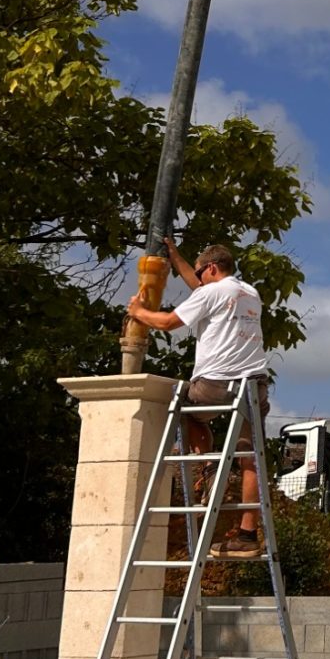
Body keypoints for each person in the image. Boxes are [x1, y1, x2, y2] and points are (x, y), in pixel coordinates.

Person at [126, 238, 270, 559]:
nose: (199, 279)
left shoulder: (211, 292)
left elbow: (168, 323)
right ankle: (247, 536)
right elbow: (199, 285)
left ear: (212, 268)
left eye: (201, 272)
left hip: (215, 384)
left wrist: (139, 312)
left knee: (184, 412)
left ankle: (208, 467)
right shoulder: (249, 293)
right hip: (254, 386)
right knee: (249, 456)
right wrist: (177, 256)